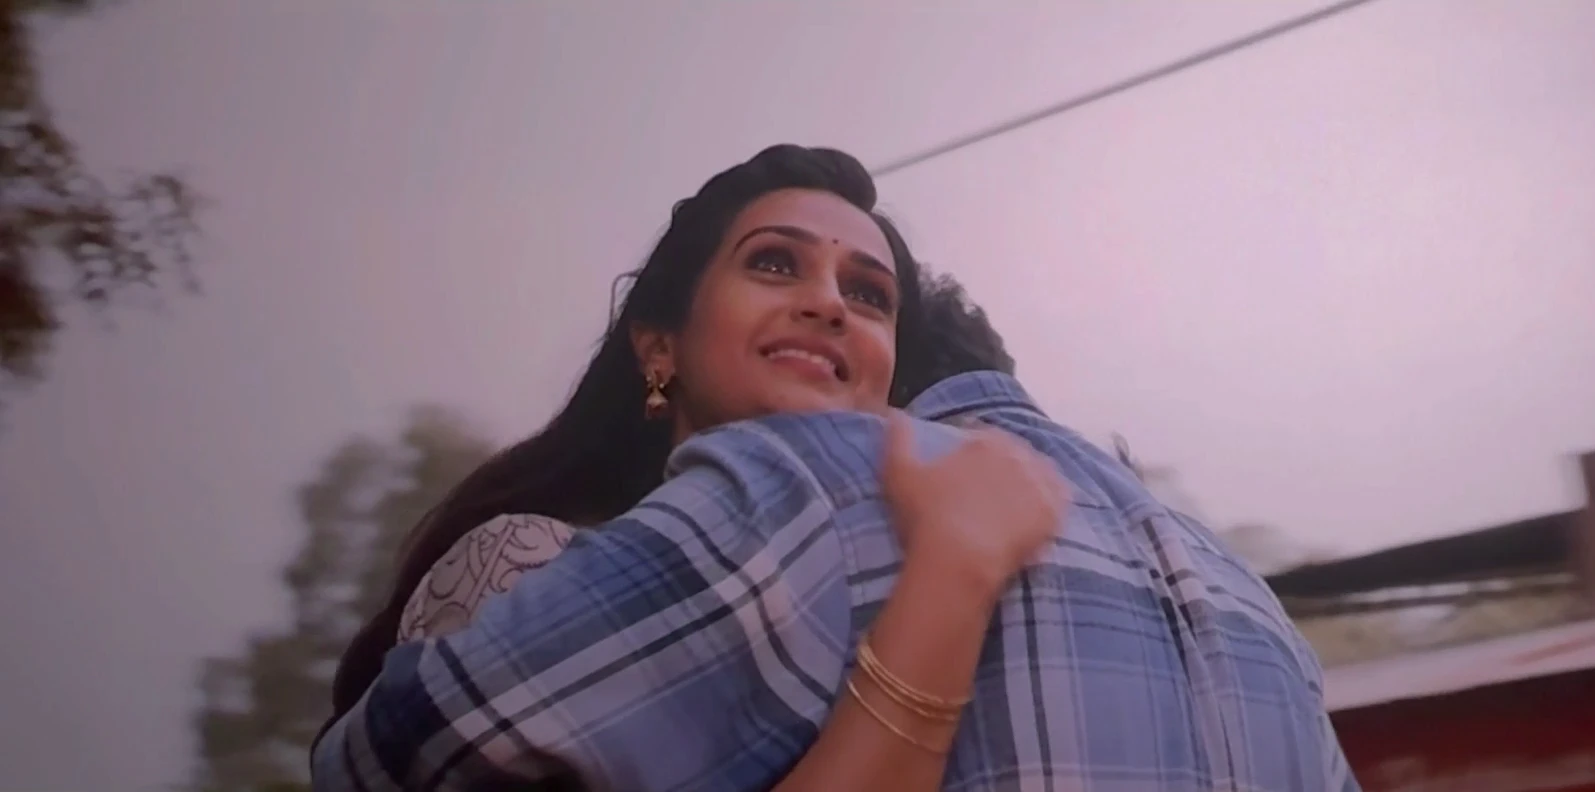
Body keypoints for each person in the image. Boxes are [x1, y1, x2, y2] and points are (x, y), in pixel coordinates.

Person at [318, 143, 1070, 791]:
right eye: (775, 263)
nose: (829, 304)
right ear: (660, 349)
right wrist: (952, 572)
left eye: (869, 295)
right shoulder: (527, 563)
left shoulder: (879, 593)